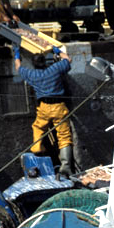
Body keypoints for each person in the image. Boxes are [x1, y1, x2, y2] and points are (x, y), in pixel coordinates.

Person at [14, 46, 74, 178]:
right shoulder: (55, 69)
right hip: (59, 106)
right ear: (45, 62)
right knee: (64, 136)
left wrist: (17, 54)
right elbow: (68, 59)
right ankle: (65, 166)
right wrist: (58, 51)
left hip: (44, 107)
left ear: (34, 64)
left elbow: (18, 67)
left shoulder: (32, 75)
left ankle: (38, 151)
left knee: (38, 127)